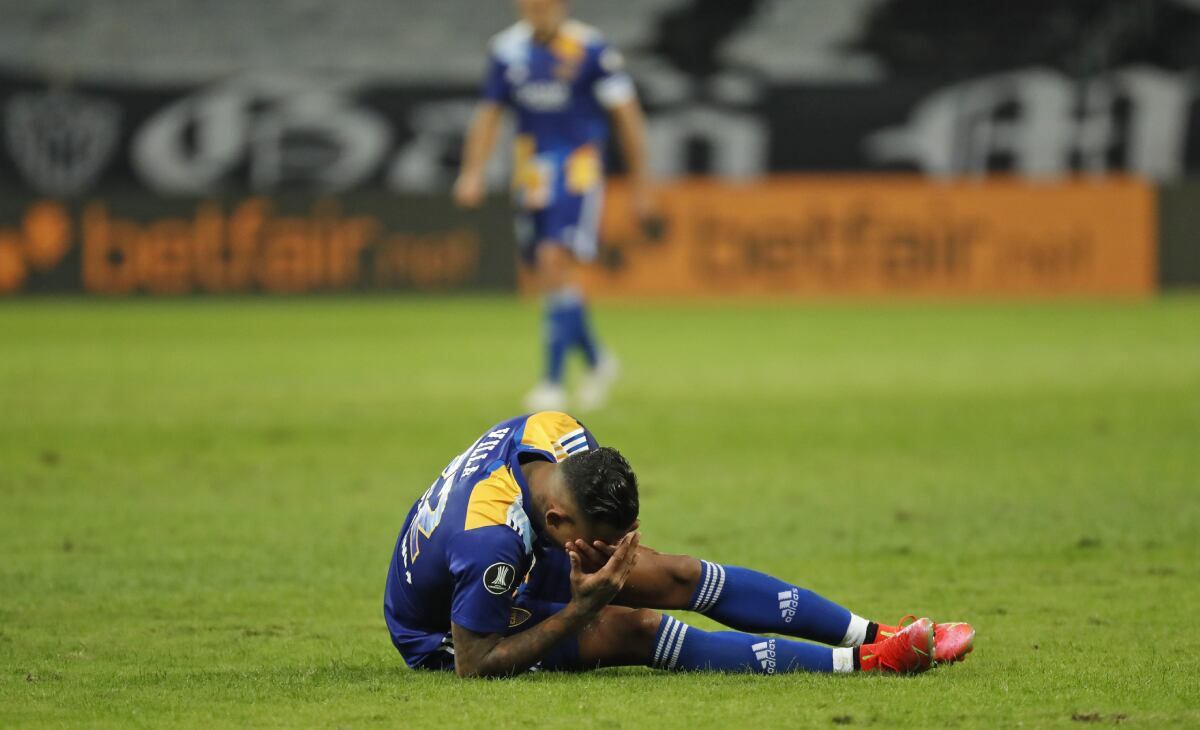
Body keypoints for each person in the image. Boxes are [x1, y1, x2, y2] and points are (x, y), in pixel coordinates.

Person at [383, 411, 976, 677]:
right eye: (601, 542)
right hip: (442, 628)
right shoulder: (490, 547)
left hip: (515, 546)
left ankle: (882, 633)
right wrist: (583, 610)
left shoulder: (558, 433)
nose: (615, 551)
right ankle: (871, 665)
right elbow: (473, 663)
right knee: (632, 627)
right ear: (561, 522)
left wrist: (610, 555)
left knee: (675, 574)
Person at [453, 0, 654, 412]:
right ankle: (598, 360)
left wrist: (640, 183)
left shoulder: (592, 49)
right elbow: (489, 113)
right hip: (531, 175)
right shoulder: (506, 49)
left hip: (578, 170)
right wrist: (472, 170)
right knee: (549, 275)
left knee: (552, 259)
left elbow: (627, 116)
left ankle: (552, 383)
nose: (537, 8)